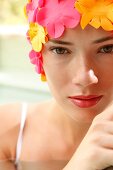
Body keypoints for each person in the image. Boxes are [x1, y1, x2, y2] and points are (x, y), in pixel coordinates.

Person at [1, 0, 113, 169]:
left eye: (107, 49)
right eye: (60, 50)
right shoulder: (7, 131)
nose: (85, 77)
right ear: (40, 55)